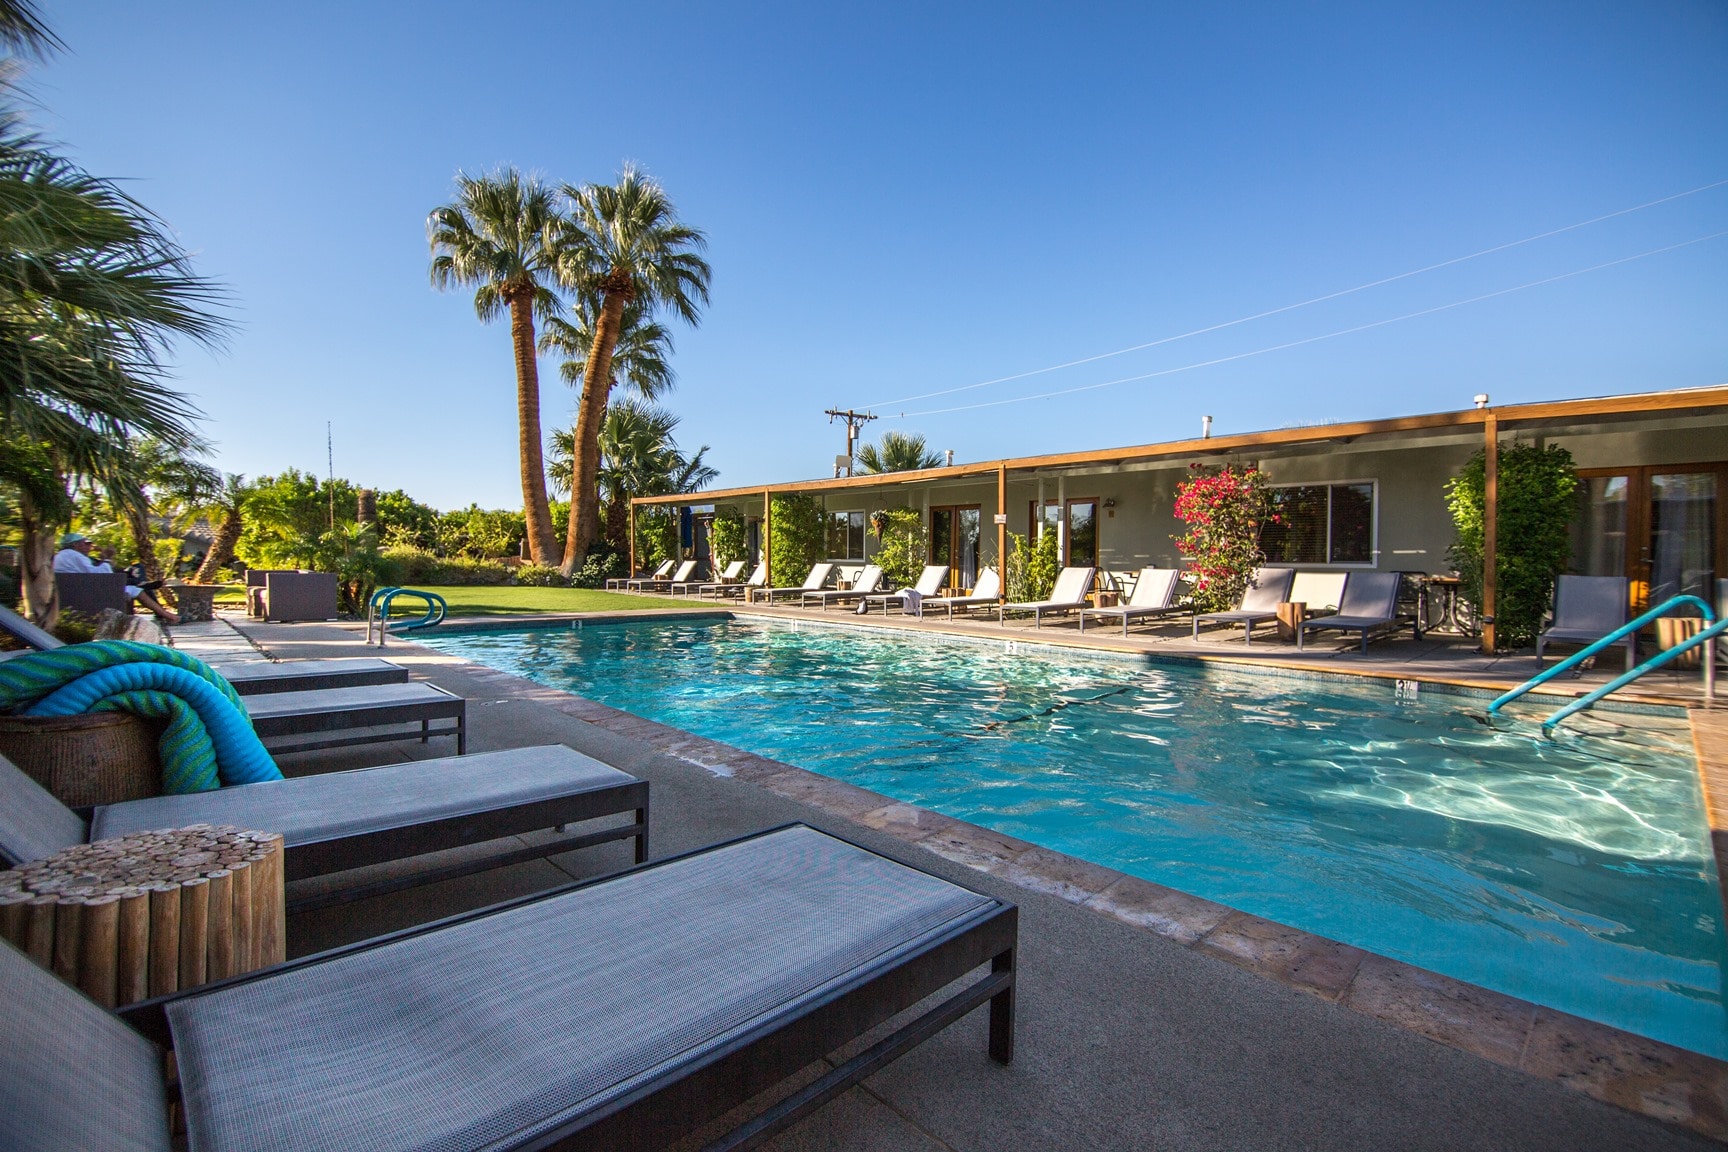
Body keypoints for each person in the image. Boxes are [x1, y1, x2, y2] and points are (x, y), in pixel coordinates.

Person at [52, 532, 180, 624]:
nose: (89, 546)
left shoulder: (63, 556)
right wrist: (106, 559)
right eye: (86, 543)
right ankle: (170, 616)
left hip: (79, 590)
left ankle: (162, 609)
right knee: (136, 590)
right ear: (75, 545)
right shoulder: (75, 556)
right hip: (89, 592)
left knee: (133, 587)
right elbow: (100, 576)